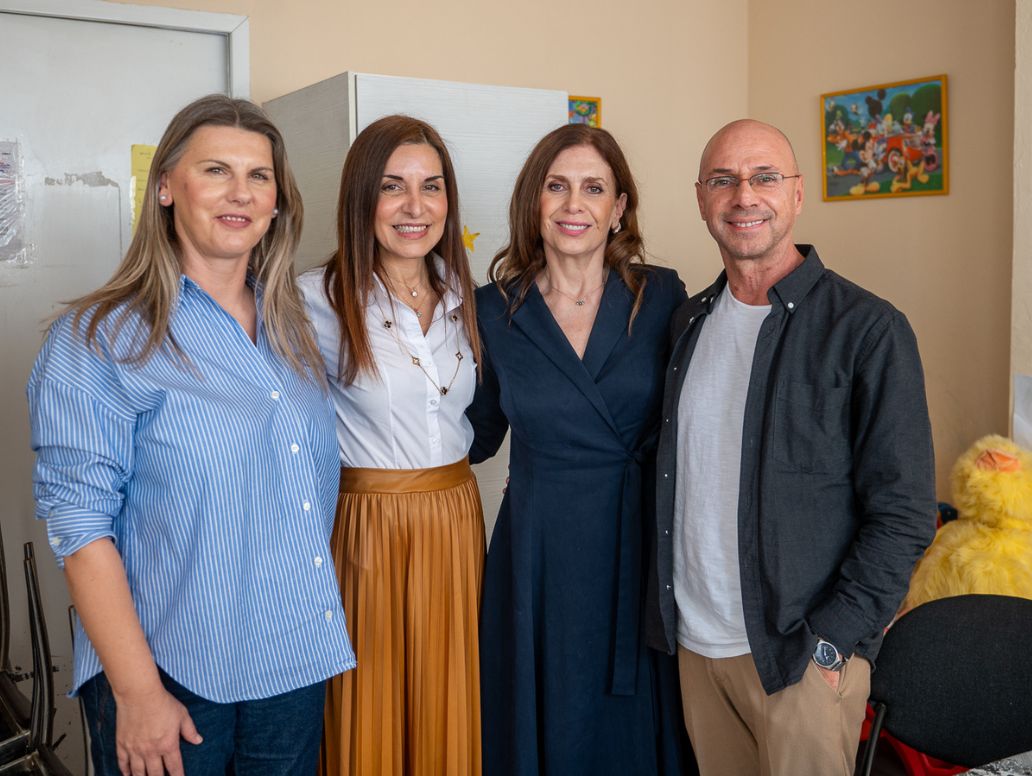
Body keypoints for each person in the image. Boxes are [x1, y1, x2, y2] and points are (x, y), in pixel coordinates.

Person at [27, 94, 354, 776]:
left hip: (294, 663)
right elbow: (81, 531)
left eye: (258, 176)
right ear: (167, 188)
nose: (240, 193)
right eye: (215, 171)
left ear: (277, 201)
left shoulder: (298, 330)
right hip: (171, 672)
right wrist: (137, 692)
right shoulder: (98, 340)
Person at [647, 118, 937, 775]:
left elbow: (904, 514)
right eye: (723, 180)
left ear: (797, 194)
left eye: (765, 177)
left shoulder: (868, 330)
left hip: (800, 661)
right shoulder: (688, 323)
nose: (744, 195)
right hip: (697, 651)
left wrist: (832, 644)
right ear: (701, 199)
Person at [468, 124, 694, 775]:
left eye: (593, 188)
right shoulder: (490, 311)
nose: (574, 204)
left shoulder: (663, 296)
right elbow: (474, 434)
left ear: (618, 207)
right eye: (556, 186)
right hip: (537, 555)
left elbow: (698, 420)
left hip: (637, 547)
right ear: (533, 202)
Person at [298, 115, 484, 776]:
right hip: (365, 527)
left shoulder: (469, 299)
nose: (415, 206)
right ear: (361, 198)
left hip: (456, 520)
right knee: (368, 704)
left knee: (448, 700)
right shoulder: (313, 301)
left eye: (431, 186)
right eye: (392, 186)